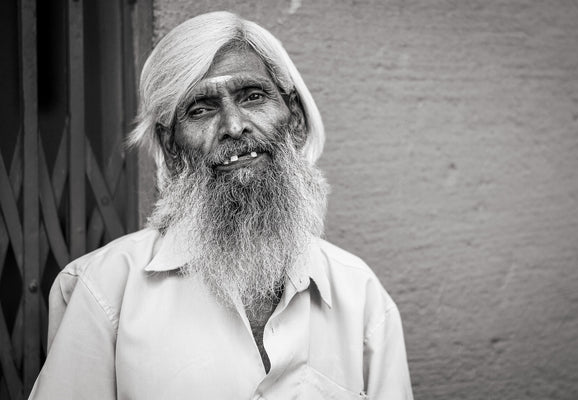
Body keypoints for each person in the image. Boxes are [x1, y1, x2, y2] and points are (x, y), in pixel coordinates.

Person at [29, 11, 413, 400]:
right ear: (172, 148)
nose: (233, 126)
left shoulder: (360, 295)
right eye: (201, 109)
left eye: (253, 96)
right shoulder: (105, 290)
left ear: (293, 118)